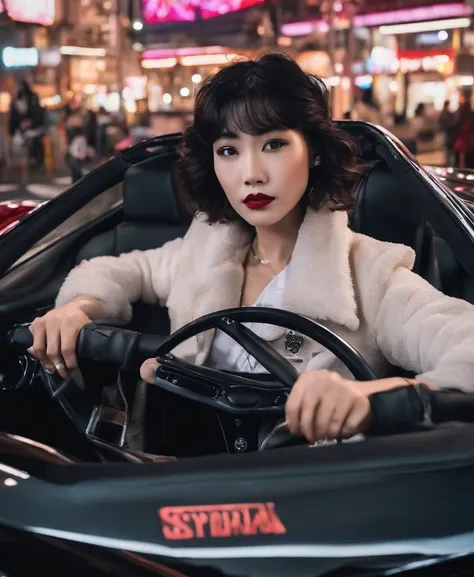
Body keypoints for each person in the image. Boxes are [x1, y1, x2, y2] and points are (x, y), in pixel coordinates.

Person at [27, 54, 474, 445]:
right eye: (229, 150)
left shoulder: (367, 272)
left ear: (314, 151)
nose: (252, 174)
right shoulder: (201, 252)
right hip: (173, 492)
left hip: (303, 506)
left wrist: (377, 398)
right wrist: (75, 311)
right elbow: (115, 271)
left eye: (274, 144)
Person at [9, 81, 45, 173]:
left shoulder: (33, 99)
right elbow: (14, 119)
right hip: (22, 129)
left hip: (34, 128)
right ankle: (26, 164)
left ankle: (34, 161)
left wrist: (30, 123)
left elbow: (37, 114)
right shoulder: (17, 102)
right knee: (20, 145)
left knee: (34, 143)